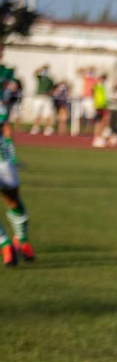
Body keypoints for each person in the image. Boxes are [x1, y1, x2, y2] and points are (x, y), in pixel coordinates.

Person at [0, 54, 33, 265]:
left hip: (2, 160)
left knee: (14, 202)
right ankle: (19, 242)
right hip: (3, 162)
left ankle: (7, 245)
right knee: (14, 202)